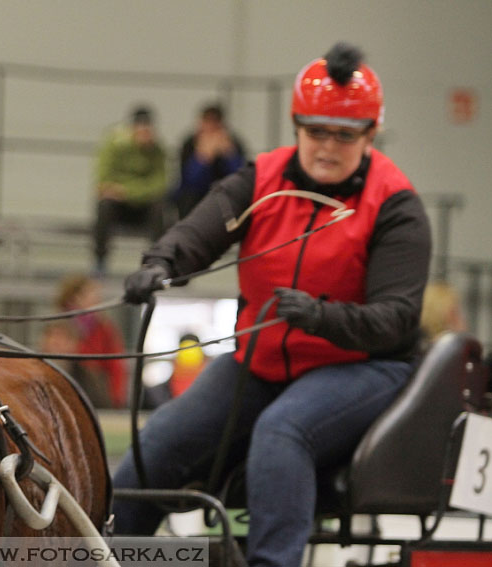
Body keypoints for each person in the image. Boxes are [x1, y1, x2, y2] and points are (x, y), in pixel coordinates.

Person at [112, 42, 431, 567]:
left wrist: (320, 316)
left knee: (283, 431)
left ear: (370, 135)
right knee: (158, 444)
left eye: (344, 135)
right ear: (296, 126)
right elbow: (201, 230)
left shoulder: (396, 205)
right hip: (258, 362)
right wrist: (161, 263)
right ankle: (116, 555)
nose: (327, 146)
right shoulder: (262, 179)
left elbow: (395, 321)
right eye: (315, 131)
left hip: (364, 367)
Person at [93, 105, 168, 275]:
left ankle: (156, 262)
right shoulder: (113, 145)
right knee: (104, 205)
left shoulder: (157, 151)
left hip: (143, 207)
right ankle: (100, 260)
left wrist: (126, 191)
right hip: (119, 208)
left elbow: (160, 186)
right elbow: (103, 182)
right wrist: (137, 190)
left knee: (160, 209)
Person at [54, 274, 128, 408]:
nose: (97, 298)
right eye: (91, 293)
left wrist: (116, 397)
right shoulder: (58, 324)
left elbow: (116, 365)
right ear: (75, 296)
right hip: (61, 387)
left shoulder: (104, 327)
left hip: (94, 392)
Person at [170, 103, 246, 219]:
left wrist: (229, 155)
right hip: (196, 196)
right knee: (188, 197)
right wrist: (202, 158)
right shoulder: (190, 144)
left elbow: (240, 177)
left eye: (215, 123)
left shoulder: (233, 144)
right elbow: (188, 181)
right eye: (207, 122)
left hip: (223, 194)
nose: (211, 128)